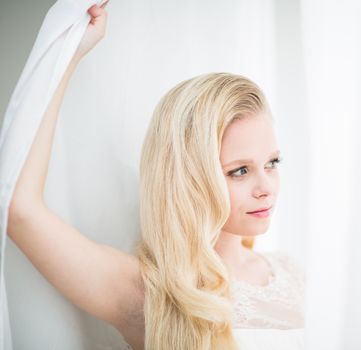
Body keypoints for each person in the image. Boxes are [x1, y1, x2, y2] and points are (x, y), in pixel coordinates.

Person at [6, 2, 305, 350]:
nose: (266, 188)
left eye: (272, 163)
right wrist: (69, 51)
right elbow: (19, 208)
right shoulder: (145, 290)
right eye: (239, 171)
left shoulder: (291, 275)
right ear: (190, 177)